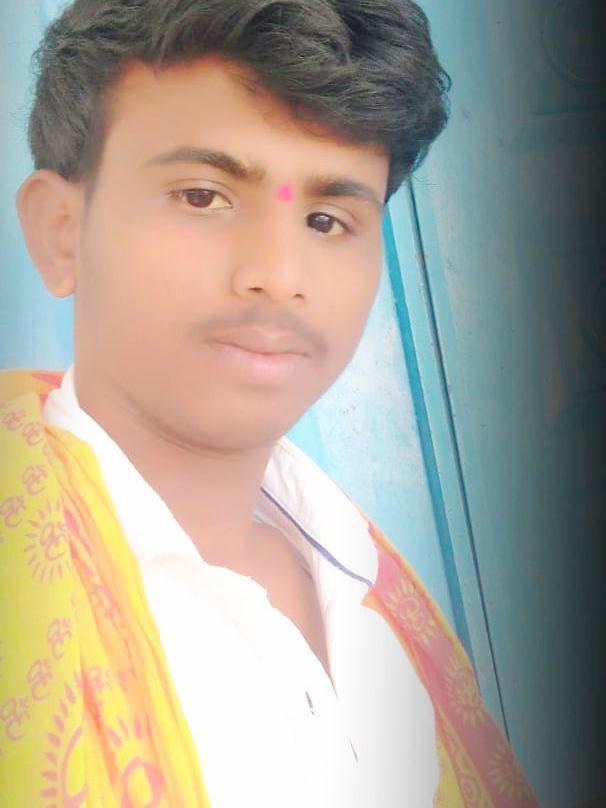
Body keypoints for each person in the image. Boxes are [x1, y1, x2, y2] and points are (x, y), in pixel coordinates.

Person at [0, 1, 537, 805]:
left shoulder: (369, 582)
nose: (279, 274)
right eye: (203, 196)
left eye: (327, 219)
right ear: (60, 233)